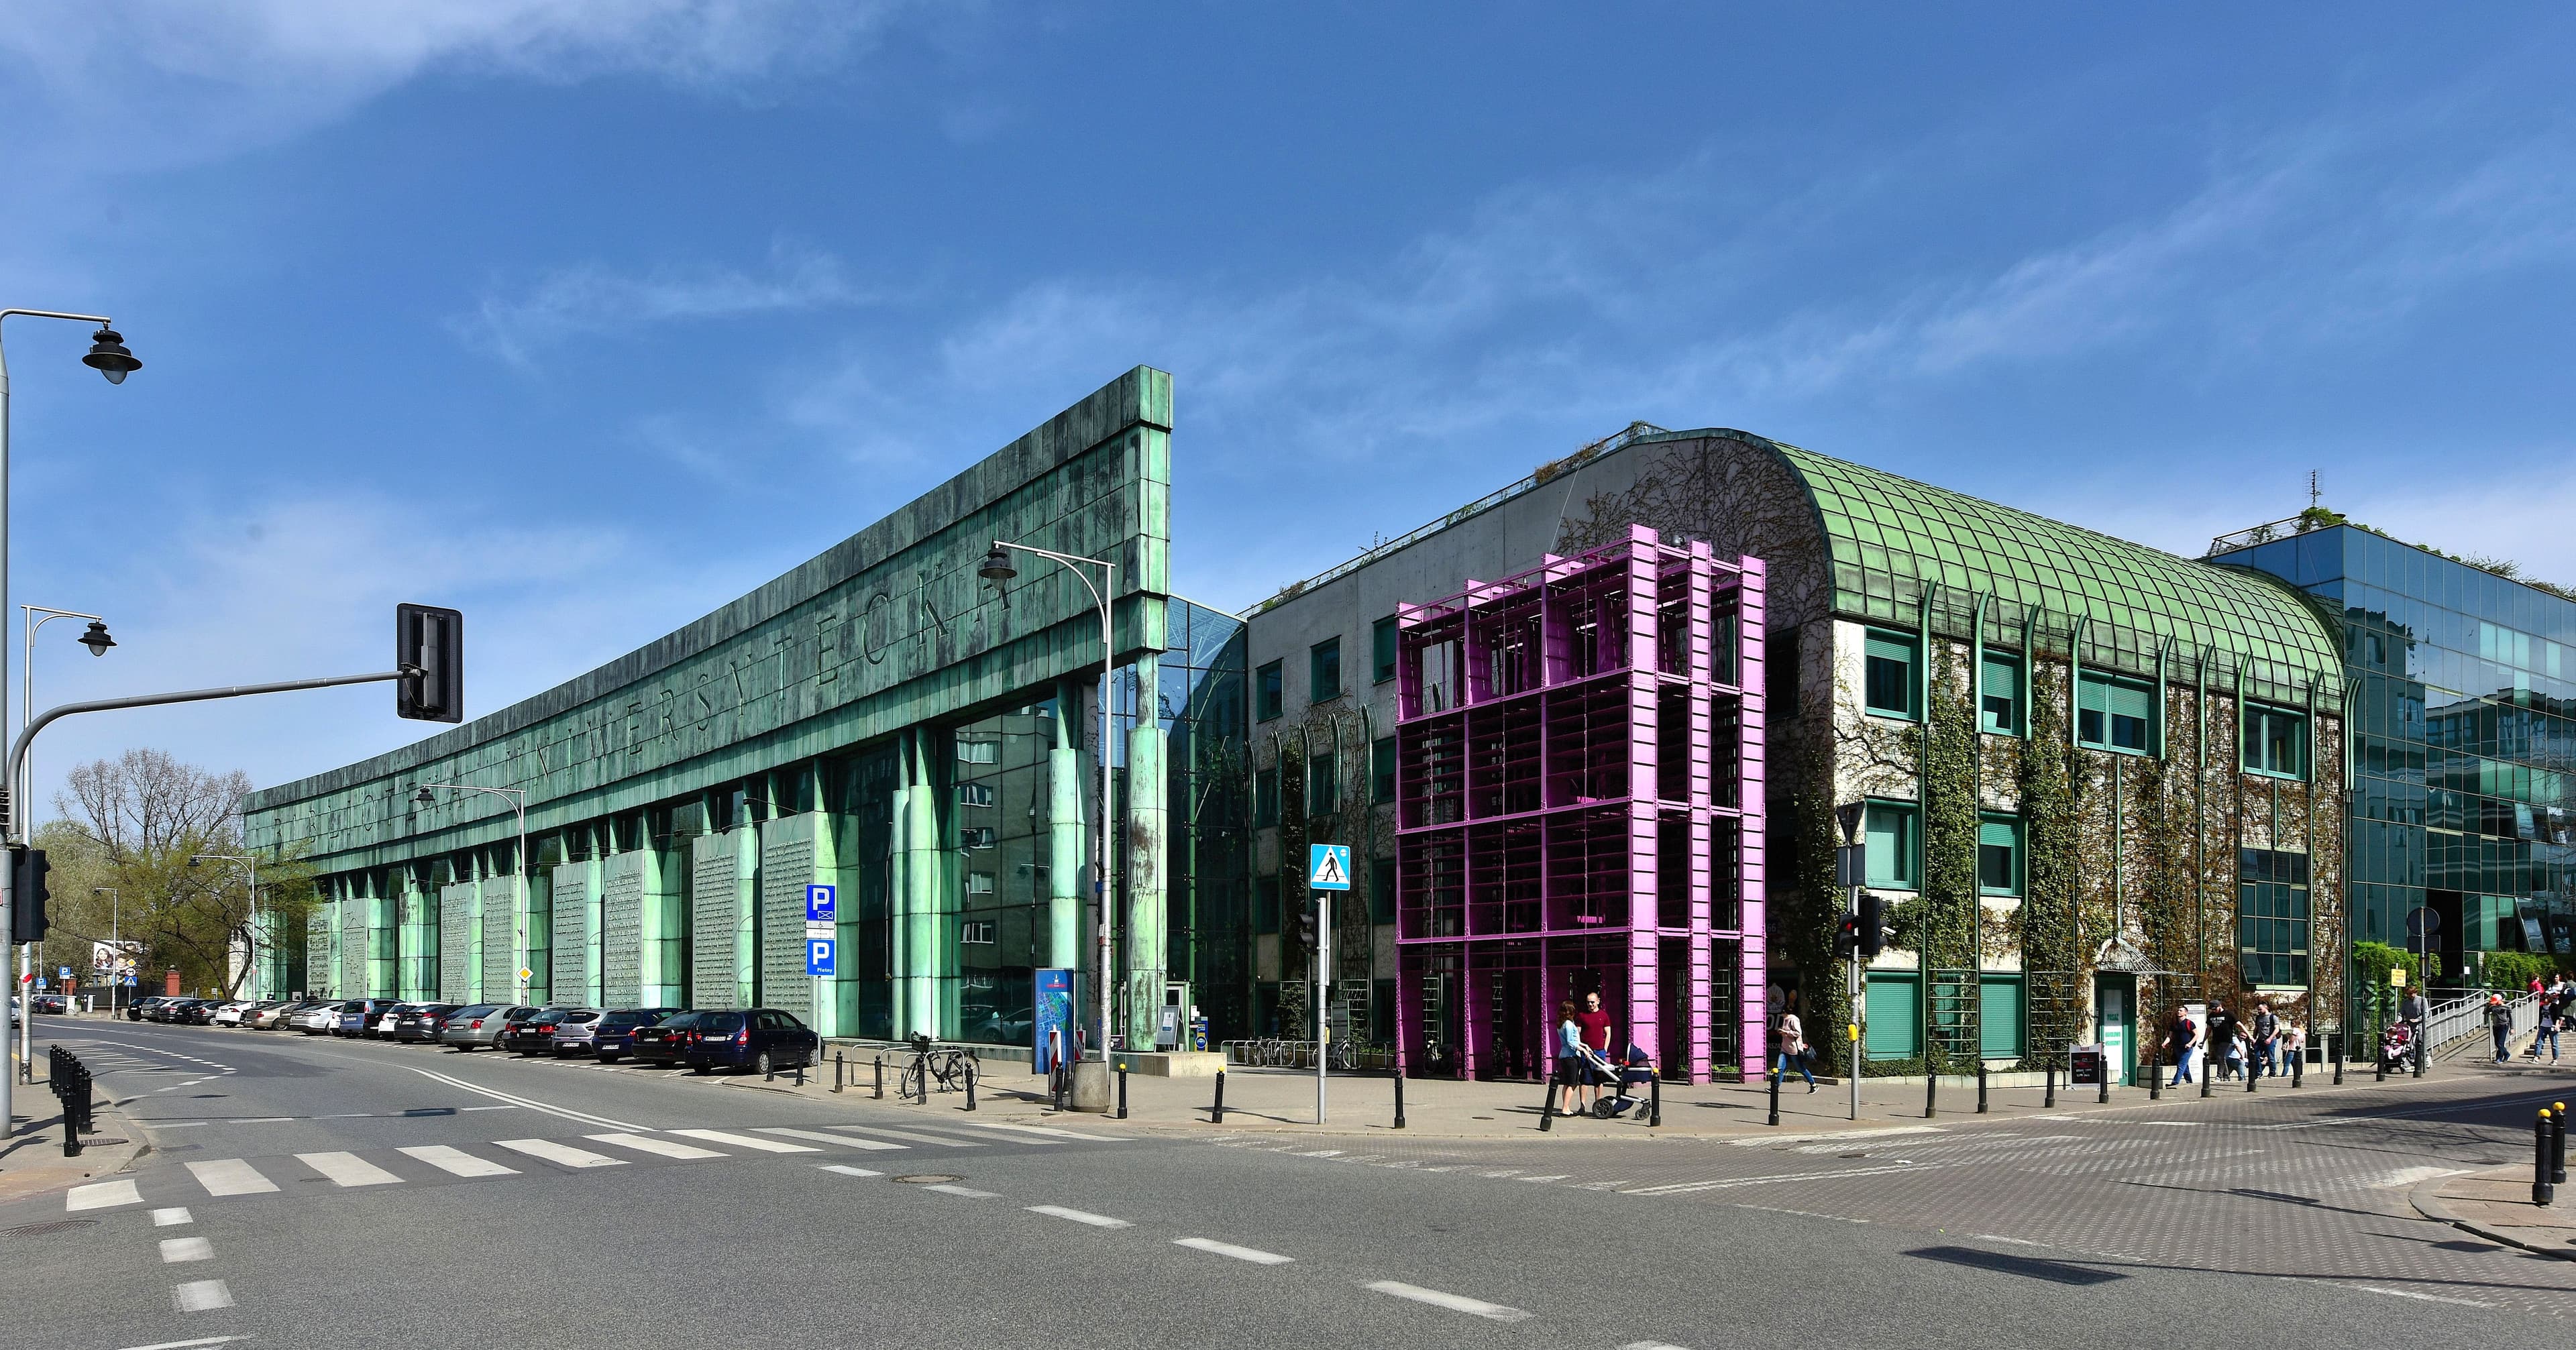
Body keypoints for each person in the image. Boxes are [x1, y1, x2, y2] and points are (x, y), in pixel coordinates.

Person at [1552, 1001, 1591, 1115]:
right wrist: (1582, 1050)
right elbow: (1570, 1042)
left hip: (1565, 1055)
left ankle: (1566, 1107)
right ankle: (1565, 1108)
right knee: (1572, 1083)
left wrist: (1585, 1046)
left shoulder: (1563, 1023)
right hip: (1570, 1056)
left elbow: (1575, 1040)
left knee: (1567, 1083)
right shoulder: (1568, 1024)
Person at [1772, 1001, 1816, 1093]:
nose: (1781, 1015)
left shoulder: (1793, 1019)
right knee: (1780, 1068)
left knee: (1800, 1068)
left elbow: (1798, 1033)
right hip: (1785, 1048)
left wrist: (1785, 1032)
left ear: (1784, 1012)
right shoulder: (1785, 1019)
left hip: (1793, 1049)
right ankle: (1775, 1087)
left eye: (1782, 1013)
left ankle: (1813, 1085)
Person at [2165, 1005, 2198, 1084]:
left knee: (2181, 1065)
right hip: (2177, 1047)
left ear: (2186, 1013)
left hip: (2187, 1048)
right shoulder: (2174, 1024)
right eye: (2178, 1010)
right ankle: (2189, 1081)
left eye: (2181, 1011)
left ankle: (2175, 1082)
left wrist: (2190, 1044)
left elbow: (2196, 1035)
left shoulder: (2190, 1023)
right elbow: (2170, 1036)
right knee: (2184, 1065)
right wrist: (2165, 1042)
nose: (2179, 1012)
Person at [2205, 1000, 2238, 1080]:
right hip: (2216, 1040)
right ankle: (2226, 1076)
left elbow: (2239, 1024)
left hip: (2226, 1040)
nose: (2213, 1011)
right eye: (2212, 1009)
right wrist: (2203, 1040)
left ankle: (2219, 1076)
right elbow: (2208, 1029)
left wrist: (2249, 1036)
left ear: (2220, 1006)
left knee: (2220, 1057)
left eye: (2215, 1009)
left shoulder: (2229, 1014)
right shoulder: (2211, 1016)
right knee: (2221, 1058)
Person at [2251, 1000, 2279, 1079]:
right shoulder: (2258, 1017)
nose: (2259, 1011)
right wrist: (2254, 1038)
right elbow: (2256, 1028)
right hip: (2260, 1039)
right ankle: (2258, 1073)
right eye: (2258, 1010)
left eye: (2260, 1009)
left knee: (2270, 1057)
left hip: (2270, 1039)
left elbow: (2277, 1029)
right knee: (2256, 1055)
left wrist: (2270, 1038)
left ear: (2266, 1008)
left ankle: (2272, 1073)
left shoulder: (2273, 1017)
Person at [2532, 988, 2561, 1063]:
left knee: (2554, 1043)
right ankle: (2536, 1057)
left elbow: (2557, 1017)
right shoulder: (2541, 1007)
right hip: (2543, 1026)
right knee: (2539, 1042)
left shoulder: (2554, 1006)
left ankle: (2555, 1059)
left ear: (2548, 998)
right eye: (2542, 999)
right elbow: (2540, 1016)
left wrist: (2557, 1025)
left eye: (2544, 999)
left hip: (2552, 1026)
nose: (2543, 1001)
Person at [2488, 993, 2514, 1064]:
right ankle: (2506, 1054)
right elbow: (2485, 1012)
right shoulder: (2493, 1007)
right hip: (2496, 1026)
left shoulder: (2506, 1007)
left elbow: (2511, 1018)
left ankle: (2499, 1058)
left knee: (2500, 1043)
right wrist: (2489, 1005)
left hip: (2504, 1026)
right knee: (2497, 1044)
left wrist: (2512, 1028)